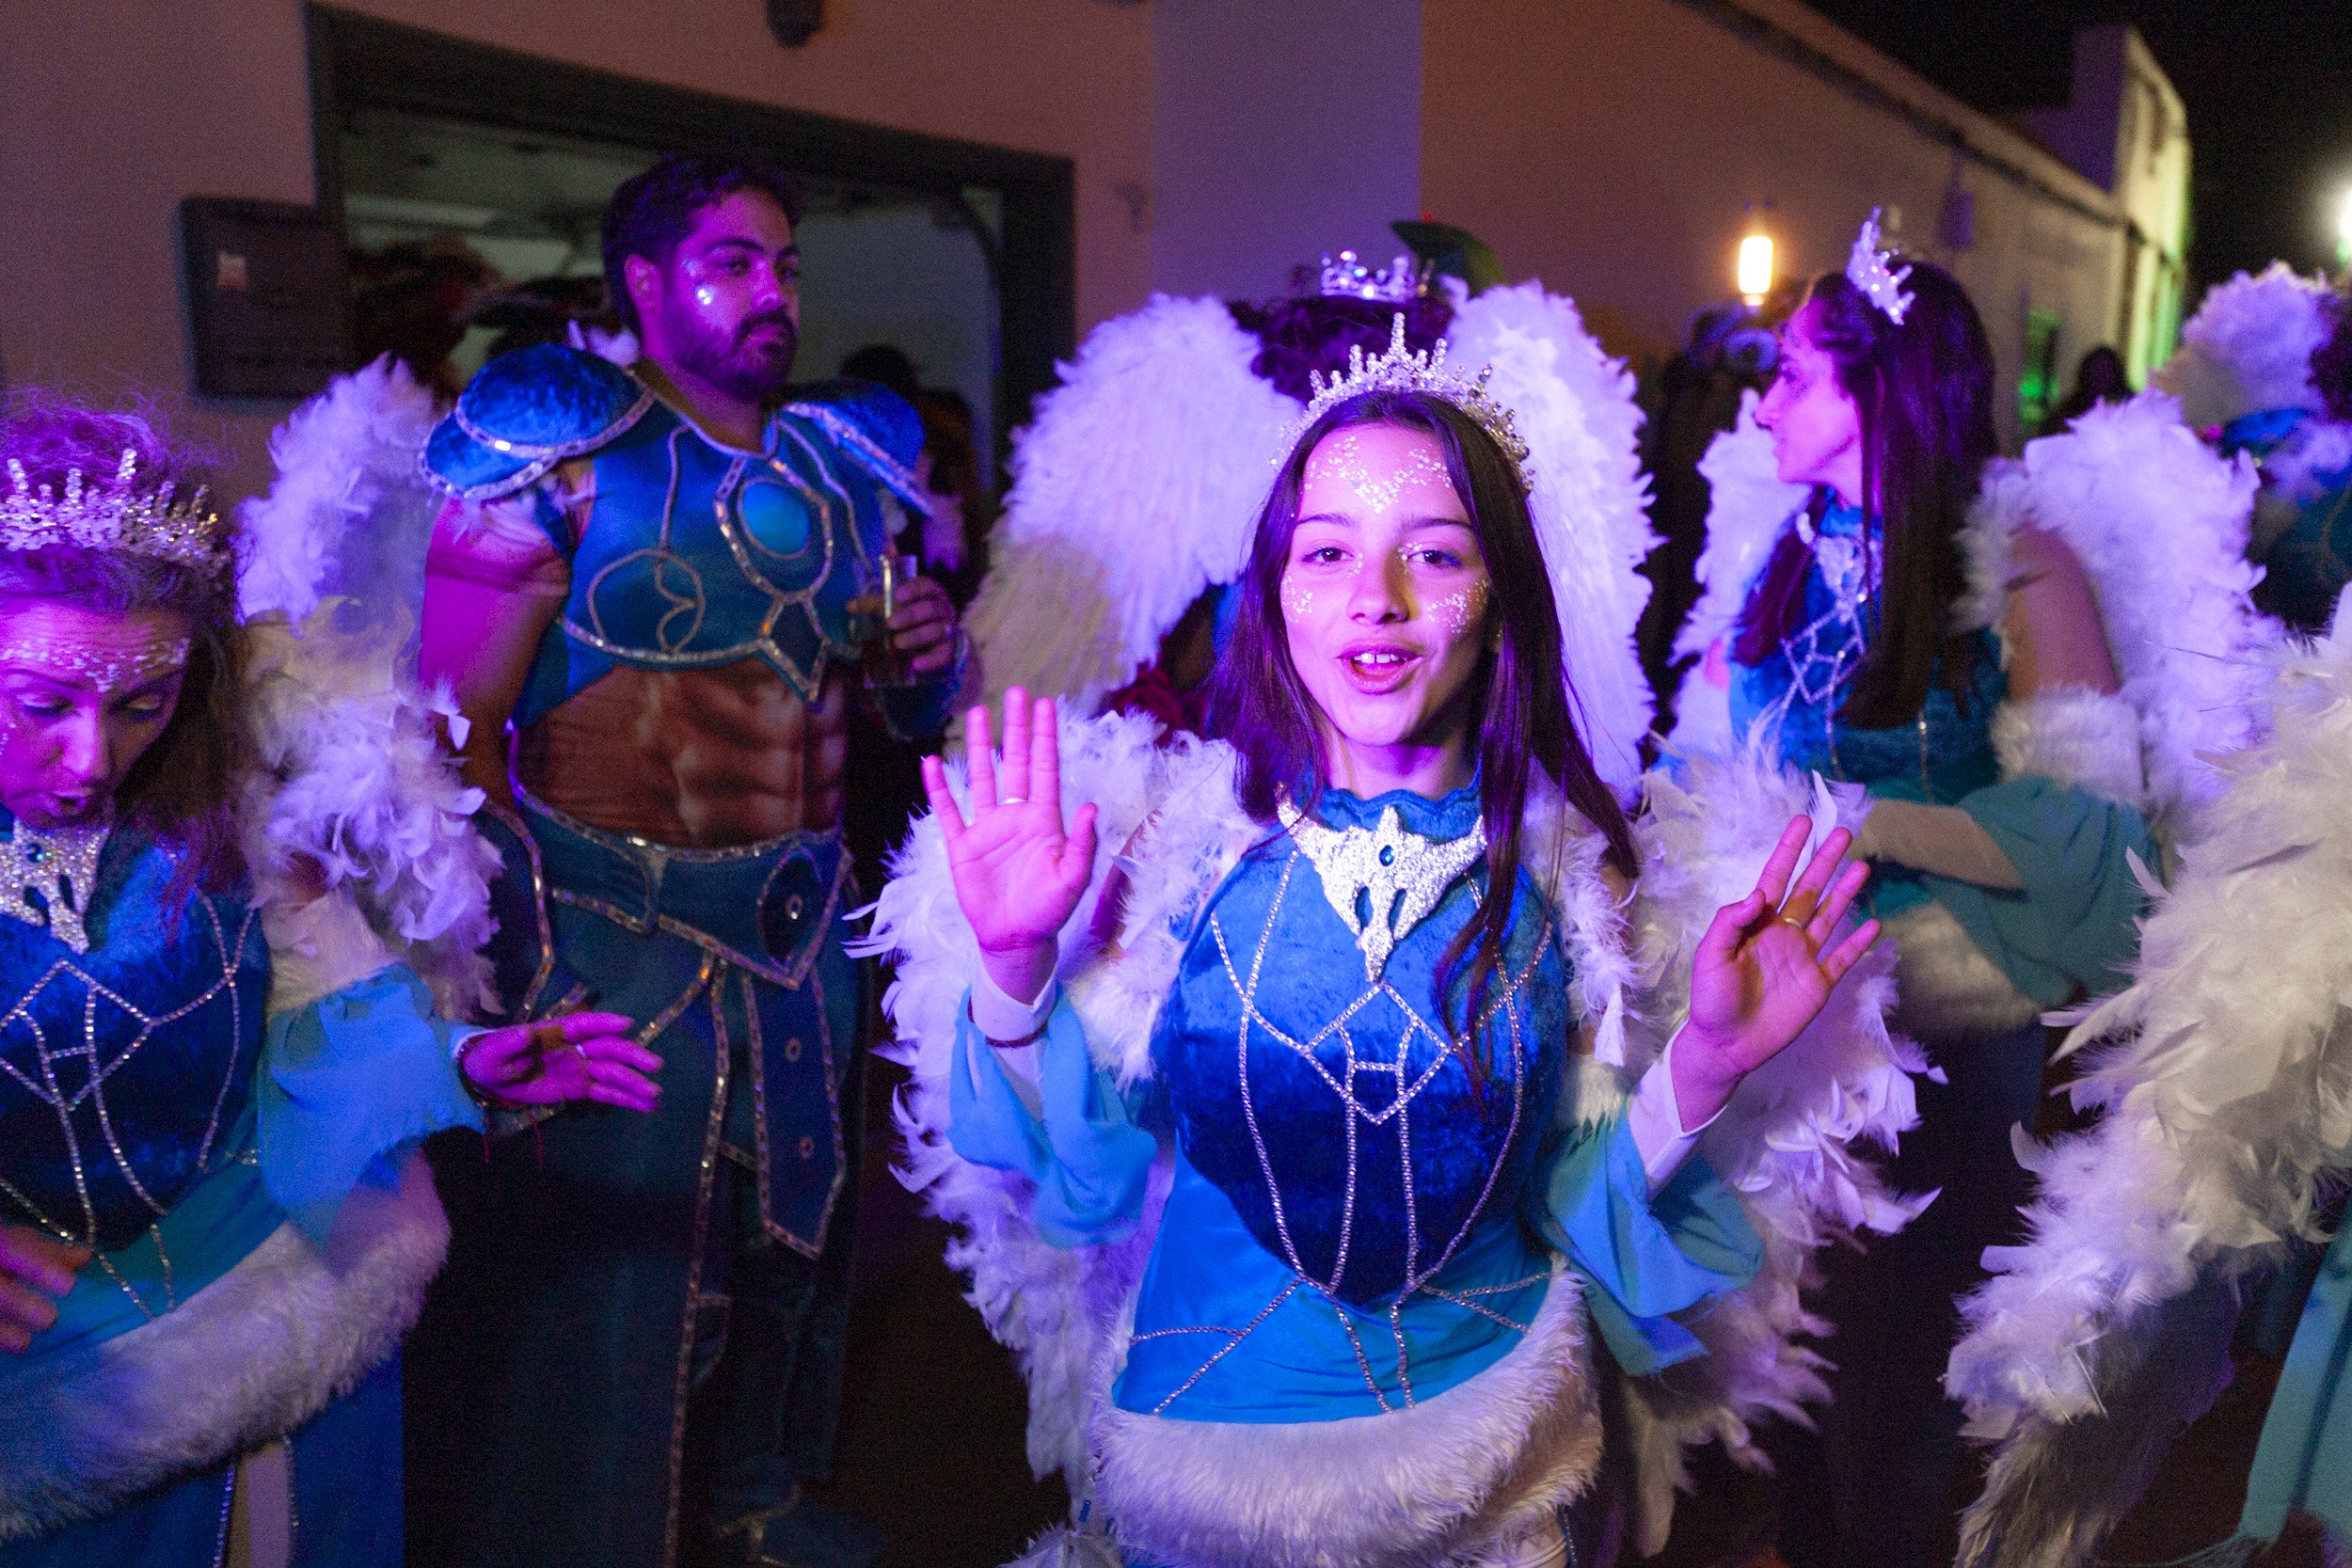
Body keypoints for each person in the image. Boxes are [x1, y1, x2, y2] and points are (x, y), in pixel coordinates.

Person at [863, 322, 1926, 1567]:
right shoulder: (1184, 852)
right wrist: (1013, 966)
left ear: (1499, 599)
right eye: (1327, 551)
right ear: (1275, 594)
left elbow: (1575, 1202)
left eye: (1434, 551)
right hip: (1202, 1462)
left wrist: (1706, 1062)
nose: (1378, 595)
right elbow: (1077, 1178)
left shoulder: (1569, 878)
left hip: (1489, 1474)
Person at [1668, 213, 2268, 1568]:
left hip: (1943, 1032)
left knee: (1900, 1400)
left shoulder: (2018, 557)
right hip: (1784, 1029)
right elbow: (1704, 757)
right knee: (1790, 1369)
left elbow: (2082, 831)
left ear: (1876, 387)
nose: (1764, 401)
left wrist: (1858, 821)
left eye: (1794, 375)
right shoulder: (1786, 549)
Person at [401, 153, 971, 1568]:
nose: (772, 292)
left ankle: (759, 1498)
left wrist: (930, 656)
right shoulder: (556, 445)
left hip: (801, 928)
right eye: (732, 262)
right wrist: (510, 954)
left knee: (796, 1242)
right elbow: (444, 737)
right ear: (645, 283)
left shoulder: (844, 462)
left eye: (785, 264)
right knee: (628, 1269)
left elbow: (900, 715)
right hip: (614, 928)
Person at [0, 385, 660, 1566]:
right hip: (43, 1382)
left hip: (280, 1287)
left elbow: (316, 1018)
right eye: (41, 702)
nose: (92, 757)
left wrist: (465, 1059)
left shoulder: (231, 800)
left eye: (143, 702)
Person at [2040, 344, 2128, 436]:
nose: (2100, 377)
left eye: (2105, 372)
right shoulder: (2065, 414)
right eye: (2096, 371)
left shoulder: (2128, 412)